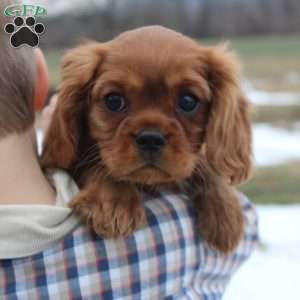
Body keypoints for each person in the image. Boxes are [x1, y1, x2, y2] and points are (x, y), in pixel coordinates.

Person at [0, 1, 258, 299]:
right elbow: (244, 231)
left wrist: (210, 183)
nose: (150, 137)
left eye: (188, 102)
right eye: (114, 102)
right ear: (42, 81)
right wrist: (99, 176)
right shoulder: (188, 242)